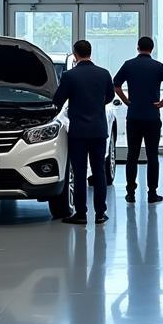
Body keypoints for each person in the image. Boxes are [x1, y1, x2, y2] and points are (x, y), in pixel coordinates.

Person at [53, 39, 115, 226]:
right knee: (99, 173)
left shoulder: (69, 76)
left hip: (78, 132)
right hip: (98, 130)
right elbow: (110, 96)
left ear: (75, 54)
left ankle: (81, 214)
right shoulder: (104, 74)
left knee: (79, 173)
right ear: (90, 52)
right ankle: (100, 214)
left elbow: (58, 99)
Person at [112, 36, 163, 204]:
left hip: (133, 116)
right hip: (152, 117)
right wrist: (162, 102)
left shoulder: (129, 65)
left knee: (131, 155)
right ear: (152, 49)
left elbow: (116, 84)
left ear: (138, 47)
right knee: (152, 155)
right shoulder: (158, 67)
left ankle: (130, 193)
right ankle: (152, 193)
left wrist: (126, 100)